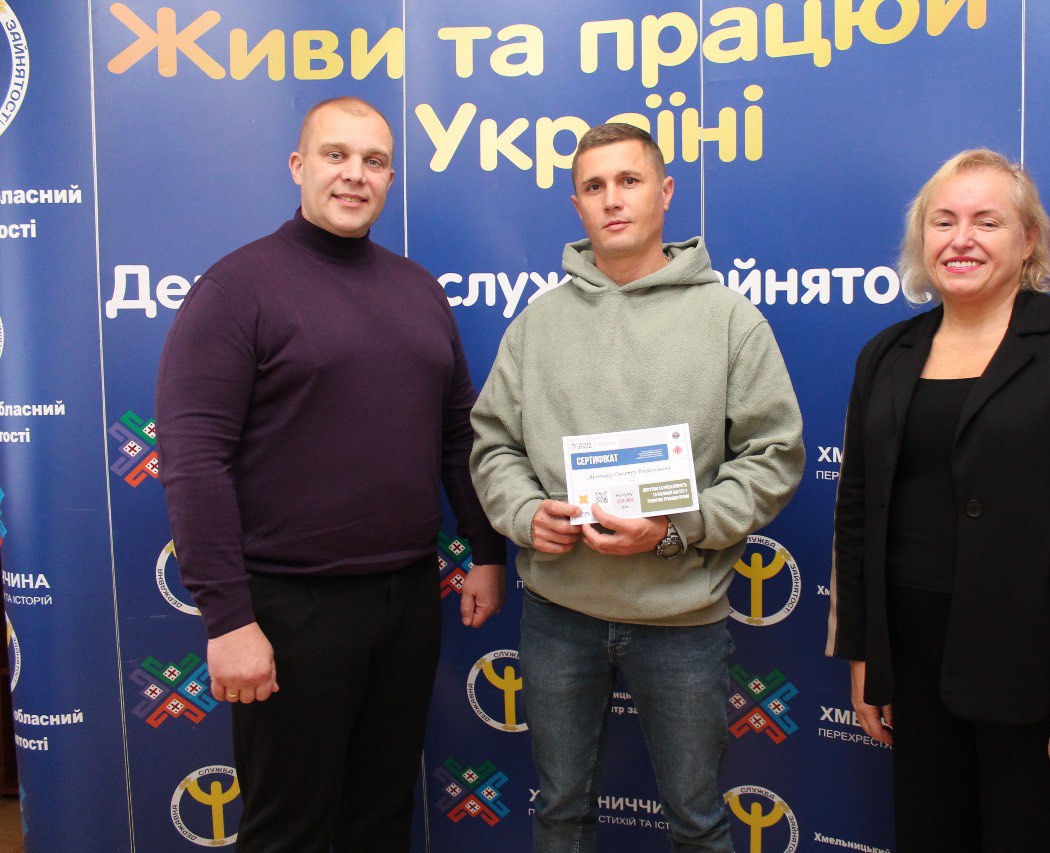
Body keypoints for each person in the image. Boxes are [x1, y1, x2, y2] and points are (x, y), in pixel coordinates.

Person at [155, 96, 506, 852]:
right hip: (289, 610)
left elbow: (457, 434)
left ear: (390, 178)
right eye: (335, 155)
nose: (355, 174)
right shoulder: (236, 290)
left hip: (407, 600)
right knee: (291, 829)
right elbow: (194, 461)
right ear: (298, 166)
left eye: (374, 161)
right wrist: (228, 620)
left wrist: (485, 549)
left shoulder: (418, 290)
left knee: (381, 817)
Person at [469, 122, 804, 851]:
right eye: (594, 186)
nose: (612, 199)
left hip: (682, 615)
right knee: (559, 811)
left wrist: (679, 527)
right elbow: (493, 444)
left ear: (666, 191)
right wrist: (525, 512)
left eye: (629, 180)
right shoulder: (536, 326)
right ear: (576, 204)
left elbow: (773, 455)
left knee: (697, 820)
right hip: (560, 611)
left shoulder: (729, 320)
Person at [826, 149, 1050, 851]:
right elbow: (856, 512)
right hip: (915, 671)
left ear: (1028, 239)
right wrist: (866, 655)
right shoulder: (885, 355)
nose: (962, 239)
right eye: (943, 221)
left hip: (1044, 672)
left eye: (987, 222)